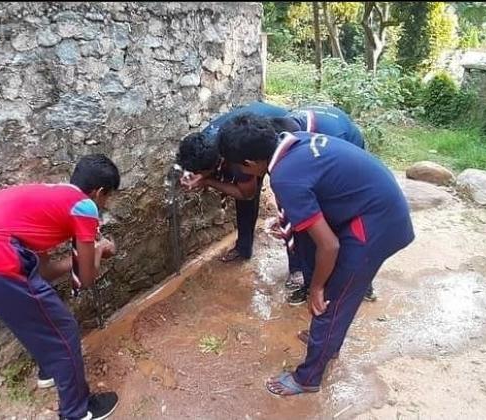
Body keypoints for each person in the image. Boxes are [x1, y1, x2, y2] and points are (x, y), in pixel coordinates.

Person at [218, 115, 414, 396]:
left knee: (331, 299)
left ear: (249, 163)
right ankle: (327, 342)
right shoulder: (296, 142)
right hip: (372, 209)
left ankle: (307, 378)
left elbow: (329, 246)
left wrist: (316, 288)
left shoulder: (285, 177)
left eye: (237, 167)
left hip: (378, 224)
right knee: (331, 294)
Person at [0, 154, 121, 420]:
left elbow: (43, 272)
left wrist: (90, 252)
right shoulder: (85, 206)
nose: (105, 204)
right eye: (108, 198)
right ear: (99, 192)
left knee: (34, 316)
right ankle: (77, 411)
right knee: (64, 330)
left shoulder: (50, 199)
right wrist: (100, 250)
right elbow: (86, 278)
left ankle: (50, 371)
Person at [267, 104, 376, 305]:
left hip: (345, 163)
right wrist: (286, 216)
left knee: (336, 224)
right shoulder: (280, 136)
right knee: (303, 219)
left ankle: (359, 283)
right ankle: (305, 276)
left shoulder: (332, 141)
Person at [175, 100, 289, 263]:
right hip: (257, 125)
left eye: (198, 172)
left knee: (287, 194)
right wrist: (195, 173)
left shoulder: (238, 158)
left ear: (214, 165)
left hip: (281, 131)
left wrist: (207, 181)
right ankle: (244, 249)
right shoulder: (204, 140)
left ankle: (297, 260)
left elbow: (247, 194)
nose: (195, 175)